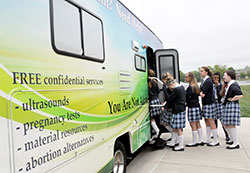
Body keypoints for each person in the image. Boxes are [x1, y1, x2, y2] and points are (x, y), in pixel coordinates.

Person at [163, 73, 186, 151]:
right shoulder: (181, 87)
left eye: (169, 86)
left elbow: (170, 99)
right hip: (181, 109)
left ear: (172, 83)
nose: (169, 88)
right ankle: (175, 143)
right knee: (176, 128)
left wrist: (164, 106)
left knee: (179, 129)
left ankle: (181, 146)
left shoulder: (176, 89)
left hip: (177, 110)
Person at [220, 71, 243, 149]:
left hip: (232, 106)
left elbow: (240, 95)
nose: (223, 77)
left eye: (225, 75)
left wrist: (232, 99)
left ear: (230, 76)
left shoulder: (233, 85)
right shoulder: (230, 84)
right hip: (228, 106)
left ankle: (235, 143)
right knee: (226, 124)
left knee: (231, 125)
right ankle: (233, 140)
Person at [200, 66, 219, 146]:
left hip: (209, 103)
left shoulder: (208, 81)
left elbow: (203, 94)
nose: (200, 72)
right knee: (206, 121)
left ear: (206, 72)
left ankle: (215, 140)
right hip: (206, 103)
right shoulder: (204, 80)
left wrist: (199, 93)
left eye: (202, 71)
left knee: (211, 121)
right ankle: (208, 139)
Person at [185, 72, 204, 147]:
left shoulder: (190, 87)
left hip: (192, 107)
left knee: (193, 124)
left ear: (190, 77)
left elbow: (187, 97)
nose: (185, 78)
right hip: (197, 106)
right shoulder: (196, 86)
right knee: (197, 123)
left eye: (186, 77)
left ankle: (194, 141)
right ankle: (200, 139)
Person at [212, 72, 230, 141]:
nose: (215, 79)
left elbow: (221, 95)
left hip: (219, 103)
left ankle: (227, 134)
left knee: (222, 120)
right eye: (214, 78)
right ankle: (215, 134)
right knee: (214, 120)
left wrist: (217, 85)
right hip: (213, 103)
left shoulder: (221, 86)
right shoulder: (211, 85)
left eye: (217, 78)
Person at [148, 69, 161, 139]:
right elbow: (158, 91)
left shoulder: (148, 82)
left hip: (152, 101)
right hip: (157, 100)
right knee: (156, 117)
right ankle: (157, 130)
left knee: (151, 118)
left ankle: (157, 131)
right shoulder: (155, 81)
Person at [161, 73, 173, 139]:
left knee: (164, 122)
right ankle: (173, 134)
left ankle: (174, 134)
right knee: (164, 122)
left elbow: (169, 98)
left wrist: (165, 106)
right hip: (169, 106)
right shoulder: (168, 86)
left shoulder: (170, 87)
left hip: (170, 107)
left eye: (163, 80)